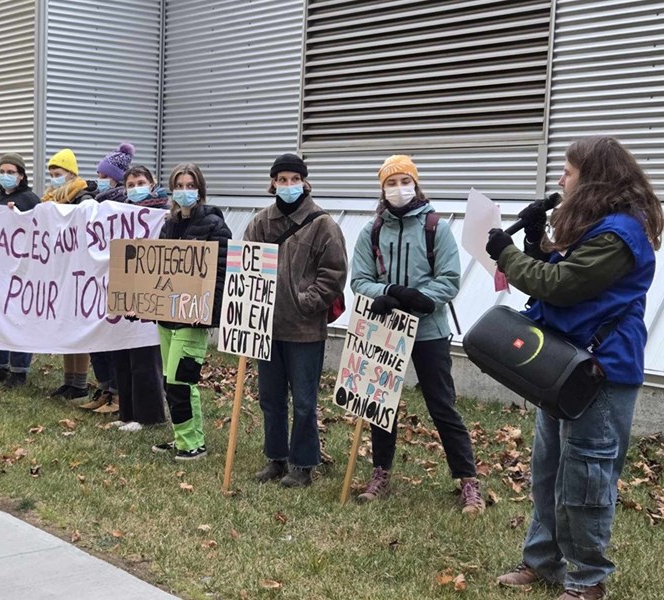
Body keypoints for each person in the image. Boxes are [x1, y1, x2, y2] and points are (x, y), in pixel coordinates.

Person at [489, 136, 662, 600]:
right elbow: (568, 271)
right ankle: (542, 561)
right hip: (565, 363)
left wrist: (506, 255)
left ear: (595, 177)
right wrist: (536, 246)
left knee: (586, 478)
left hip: (599, 373)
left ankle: (587, 580)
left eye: (567, 171)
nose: (561, 180)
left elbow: (565, 285)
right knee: (549, 470)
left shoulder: (621, 234)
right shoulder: (602, 227)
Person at [349, 154, 485, 514]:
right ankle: (381, 471)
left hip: (429, 329)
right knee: (381, 403)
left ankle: (468, 479)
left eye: (404, 181)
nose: (398, 189)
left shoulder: (435, 227)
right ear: (382, 189)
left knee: (442, 403)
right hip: (386, 329)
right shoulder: (372, 231)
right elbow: (359, 279)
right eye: (391, 183)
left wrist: (422, 298)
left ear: (416, 183)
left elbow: (450, 279)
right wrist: (386, 293)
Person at [244, 154, 347, 487]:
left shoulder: (322, 224)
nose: (287, 185)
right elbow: (246, 263)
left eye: (294, 179)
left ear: (304, 181)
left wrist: (307, 302)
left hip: (305, 329)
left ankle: (302, 464)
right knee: (270, 398)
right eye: (281, 179)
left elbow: (334, 273)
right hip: (267, 328)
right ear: (273, 182)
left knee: (304, 401)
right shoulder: (260, 222)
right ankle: (276, 458)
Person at [151, 163, 231, 459]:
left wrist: (209, 312)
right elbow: (156, 269)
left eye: (190, 185)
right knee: (169, 379)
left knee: (181, 381)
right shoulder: (168, 225)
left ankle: (192, 445)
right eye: (179, 186)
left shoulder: (215, 226)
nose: (185, 191)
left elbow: (221, 274)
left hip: (193, 318)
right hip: (166, 316)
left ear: (200, 189)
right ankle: (184, 436)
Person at [105, 164, 169, 430]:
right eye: (130, 185)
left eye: (140, 183)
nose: (135, 189)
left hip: (150, 292)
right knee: (122, 355)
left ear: (152, 184)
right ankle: (127, 414)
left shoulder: (163, 214)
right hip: (123, 288)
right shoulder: (116, 213)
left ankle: (149, 415)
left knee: (144, 356)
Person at [81, 143, 135, 412]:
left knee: (113, 337)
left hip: (116, 278)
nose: (99, 180)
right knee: (96, 336)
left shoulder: (128, 206)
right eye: (99, 176)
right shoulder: (94, 204)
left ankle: (116, 392)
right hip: (95, 279)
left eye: (104, 176)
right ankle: (103, 387)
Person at [0, 153, 40, 388]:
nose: (6, 176)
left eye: (11, 172)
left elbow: (39, 227)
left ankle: (19, 370)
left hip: (22, 270)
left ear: (21, 175)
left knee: (17, 318)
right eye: (2, 171)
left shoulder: (29, 199)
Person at [42, 148, 95, 399]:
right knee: (65, 326)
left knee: (78, 327)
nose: (54, 178)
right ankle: (69, 380)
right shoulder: (50, 199)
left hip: (79, 271)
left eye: (58, 173)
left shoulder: (82, 197)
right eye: (51, 173)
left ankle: (81, 384)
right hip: (60, 270)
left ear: (71, 174)